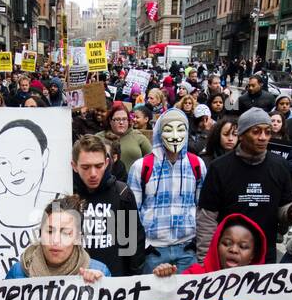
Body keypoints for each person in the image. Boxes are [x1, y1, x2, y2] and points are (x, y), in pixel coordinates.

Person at [197, 108, 292, 262]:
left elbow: (283, 209)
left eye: (267, 132)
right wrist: (206, 261)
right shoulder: (219, 168)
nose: (263, 137)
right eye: (256, 132)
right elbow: (207, 219)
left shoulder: (280, 166)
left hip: (265, 257)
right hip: (229, 258)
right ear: (242, 135)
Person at [129, 111, 205, 275]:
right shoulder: (141, 167)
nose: (175, 135)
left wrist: (198, 248)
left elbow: (202, 209)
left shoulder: (197, 164)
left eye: (181, 129)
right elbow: (129, 213)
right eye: (169, 129)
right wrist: (137, 252)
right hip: (153, 252)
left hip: (187, 250)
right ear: (159, 132)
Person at [73, 135, 144, 277]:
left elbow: (132, 243)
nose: (93, 174)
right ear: (74, 166)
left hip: (114, 283)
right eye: (85, 167)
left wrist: (131, 279)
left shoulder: (121, 193)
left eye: (98, 166)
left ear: (106, 163)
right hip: (75, 284)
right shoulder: (67, 195)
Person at [108, 102, 152, 174]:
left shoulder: (138, 137)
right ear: (110, 121)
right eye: (117, 119)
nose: (121, 122)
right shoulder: (100, 137)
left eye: (124, 119)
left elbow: (152, 160)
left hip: (134, 182)